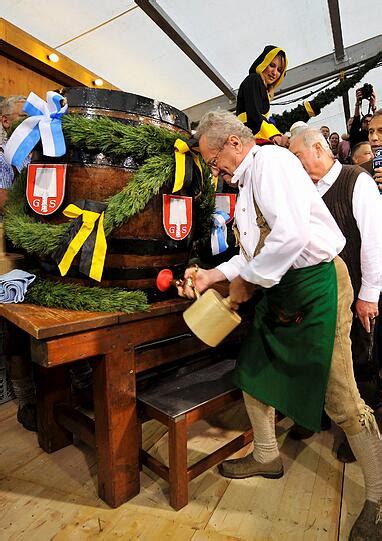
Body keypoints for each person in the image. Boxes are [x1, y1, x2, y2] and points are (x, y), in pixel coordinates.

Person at [179, 110, 382, 540]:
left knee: (342, 399)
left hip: (316, 287)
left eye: (214, 161)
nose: (216, 172)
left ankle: (379, 498)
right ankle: (267, 455)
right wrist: (215, 275)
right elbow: (255, 250)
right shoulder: (251, 180)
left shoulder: (272, 164)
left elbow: (289, 237)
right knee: (254, 370)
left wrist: (244, 286)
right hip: (285, 289)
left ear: (234, 144)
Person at [289, 128, 382, 463]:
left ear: (318, 148)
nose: (294, 165)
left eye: (297, 157)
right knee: (318, 356)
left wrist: (369, 295)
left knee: (360, 361)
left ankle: (359, 434)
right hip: (320, 294)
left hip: (356, 292)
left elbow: (374, 240)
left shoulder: (357, 181)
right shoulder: (304, 189)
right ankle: (318, 416)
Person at [236, 45, 289, 146]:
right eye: (272, 65)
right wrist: (274, 135)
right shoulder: (254, 79)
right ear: (263, 63)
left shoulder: (262, 87)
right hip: (248, 137)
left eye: (279, 70)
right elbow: (254, 114)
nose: (274, 73)